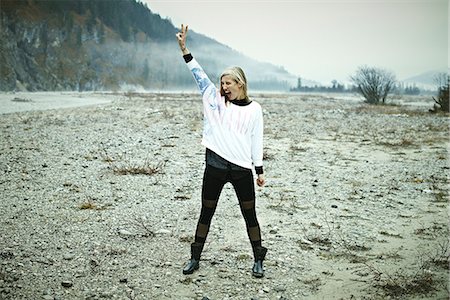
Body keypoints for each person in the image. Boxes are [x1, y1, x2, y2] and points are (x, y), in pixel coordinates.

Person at [176, 24, 267, 278]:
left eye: (228, 83)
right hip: (215, 166)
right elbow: (197, 73)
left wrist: (258, 170)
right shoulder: (213, 99)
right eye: (222, 82)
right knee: (207, 210)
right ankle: (194, 258)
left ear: (240, 83)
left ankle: (258, 259)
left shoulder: (254, 109)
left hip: (241, 169)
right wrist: (185, 49)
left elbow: (256, 140)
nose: (223, 86)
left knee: (250, 213)